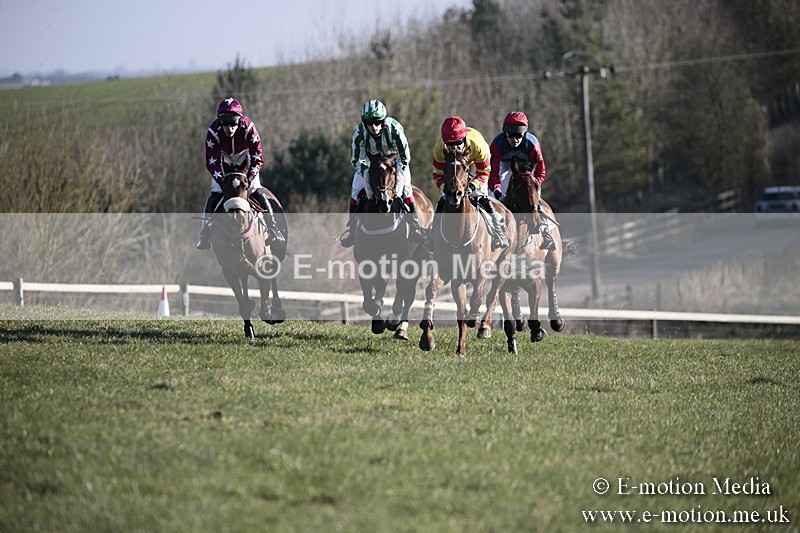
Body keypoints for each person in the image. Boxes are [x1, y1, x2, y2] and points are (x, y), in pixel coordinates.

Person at [196, 97, 284, 250]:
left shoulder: (249, 128)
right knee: (215, 193)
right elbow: (212, 162)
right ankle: (205, 233)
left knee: (256, 190)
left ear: (240, 120)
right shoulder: (213, 132)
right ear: (219, 121)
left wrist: (249, 178)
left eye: (233, 123)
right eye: (225, 123)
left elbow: (257, 157)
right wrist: (222, 180)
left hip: (245, 156)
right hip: (223, 158)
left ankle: (274, 228)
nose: (229, 128)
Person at [340, 99, 424, 248]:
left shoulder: (395, 129)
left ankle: (415, 227)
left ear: (383, 120)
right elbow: (356, 159)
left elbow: (404, 156)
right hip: (370, 164)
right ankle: (352, 231)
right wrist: (369, 173)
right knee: (355, 190)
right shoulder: (359, 133)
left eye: (378, 122)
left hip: (395, 164)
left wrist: (396, 172)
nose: (374, 127)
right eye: (370, 123)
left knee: (406, 190)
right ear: (364, 123)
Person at [429, 116, 509, 250]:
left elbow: (484, 172)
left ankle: (498, 231)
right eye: (450, 144)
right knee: (443, 199)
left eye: (458, 143)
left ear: (464, 139)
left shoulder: (478, 146)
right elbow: (437, 174)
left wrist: (473, 186)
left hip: (476, 160)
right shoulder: (440, 149)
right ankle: (432, 235)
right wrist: (445, 188)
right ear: (444, 142)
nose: (454, 148)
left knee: (480, 196)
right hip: (453, 166)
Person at [488, 111, 555, 252]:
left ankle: (545, 231)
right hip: (505, 166)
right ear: (505, 133)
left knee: (533, 197)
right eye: (511, 136)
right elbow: (493, 174)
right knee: (492, 195)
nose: (515, 139)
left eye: (519, 135)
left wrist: (534, 185)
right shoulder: (496, 144)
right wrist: (497, 191)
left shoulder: (532, 144)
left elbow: (541, 172)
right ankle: (496, 230)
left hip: (528, 170)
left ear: (524, 134)